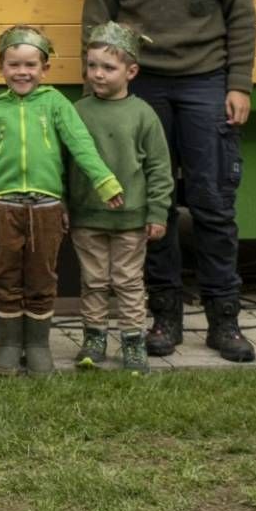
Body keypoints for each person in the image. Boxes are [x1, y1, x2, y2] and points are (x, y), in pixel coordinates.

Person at [82, 0, 256, 363]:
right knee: (150, 205)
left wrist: (239, 83)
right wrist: (103, 84)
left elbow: (242, 12)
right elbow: (97, 15)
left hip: (207, 82)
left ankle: (224, 318)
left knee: (211, 203)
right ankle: (162, 316)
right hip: (141, 88)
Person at [0, 27, 125, 377]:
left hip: (46, 208)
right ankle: (7, 345)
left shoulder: (56, 105)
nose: (23, 72)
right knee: (4, 274)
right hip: (3, 208)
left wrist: (105, 182)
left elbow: (81, 145)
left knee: (41, 276)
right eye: (14, 65)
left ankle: (37, 345)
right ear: (0, 68)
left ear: (44, 68)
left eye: (31, 65)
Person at [70, 22, 173, 375]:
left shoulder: (143, 114)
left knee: (128, 281)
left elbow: (160, 168)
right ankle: (94, 337)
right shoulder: (77, 112)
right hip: (87, 216)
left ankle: (132, 340)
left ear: (131, 71)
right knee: (93, 280)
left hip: (131, 218)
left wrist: (158, 211)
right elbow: (65, 164)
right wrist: (66, 207)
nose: (98, 74)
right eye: (92, 65)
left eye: (108, 67)